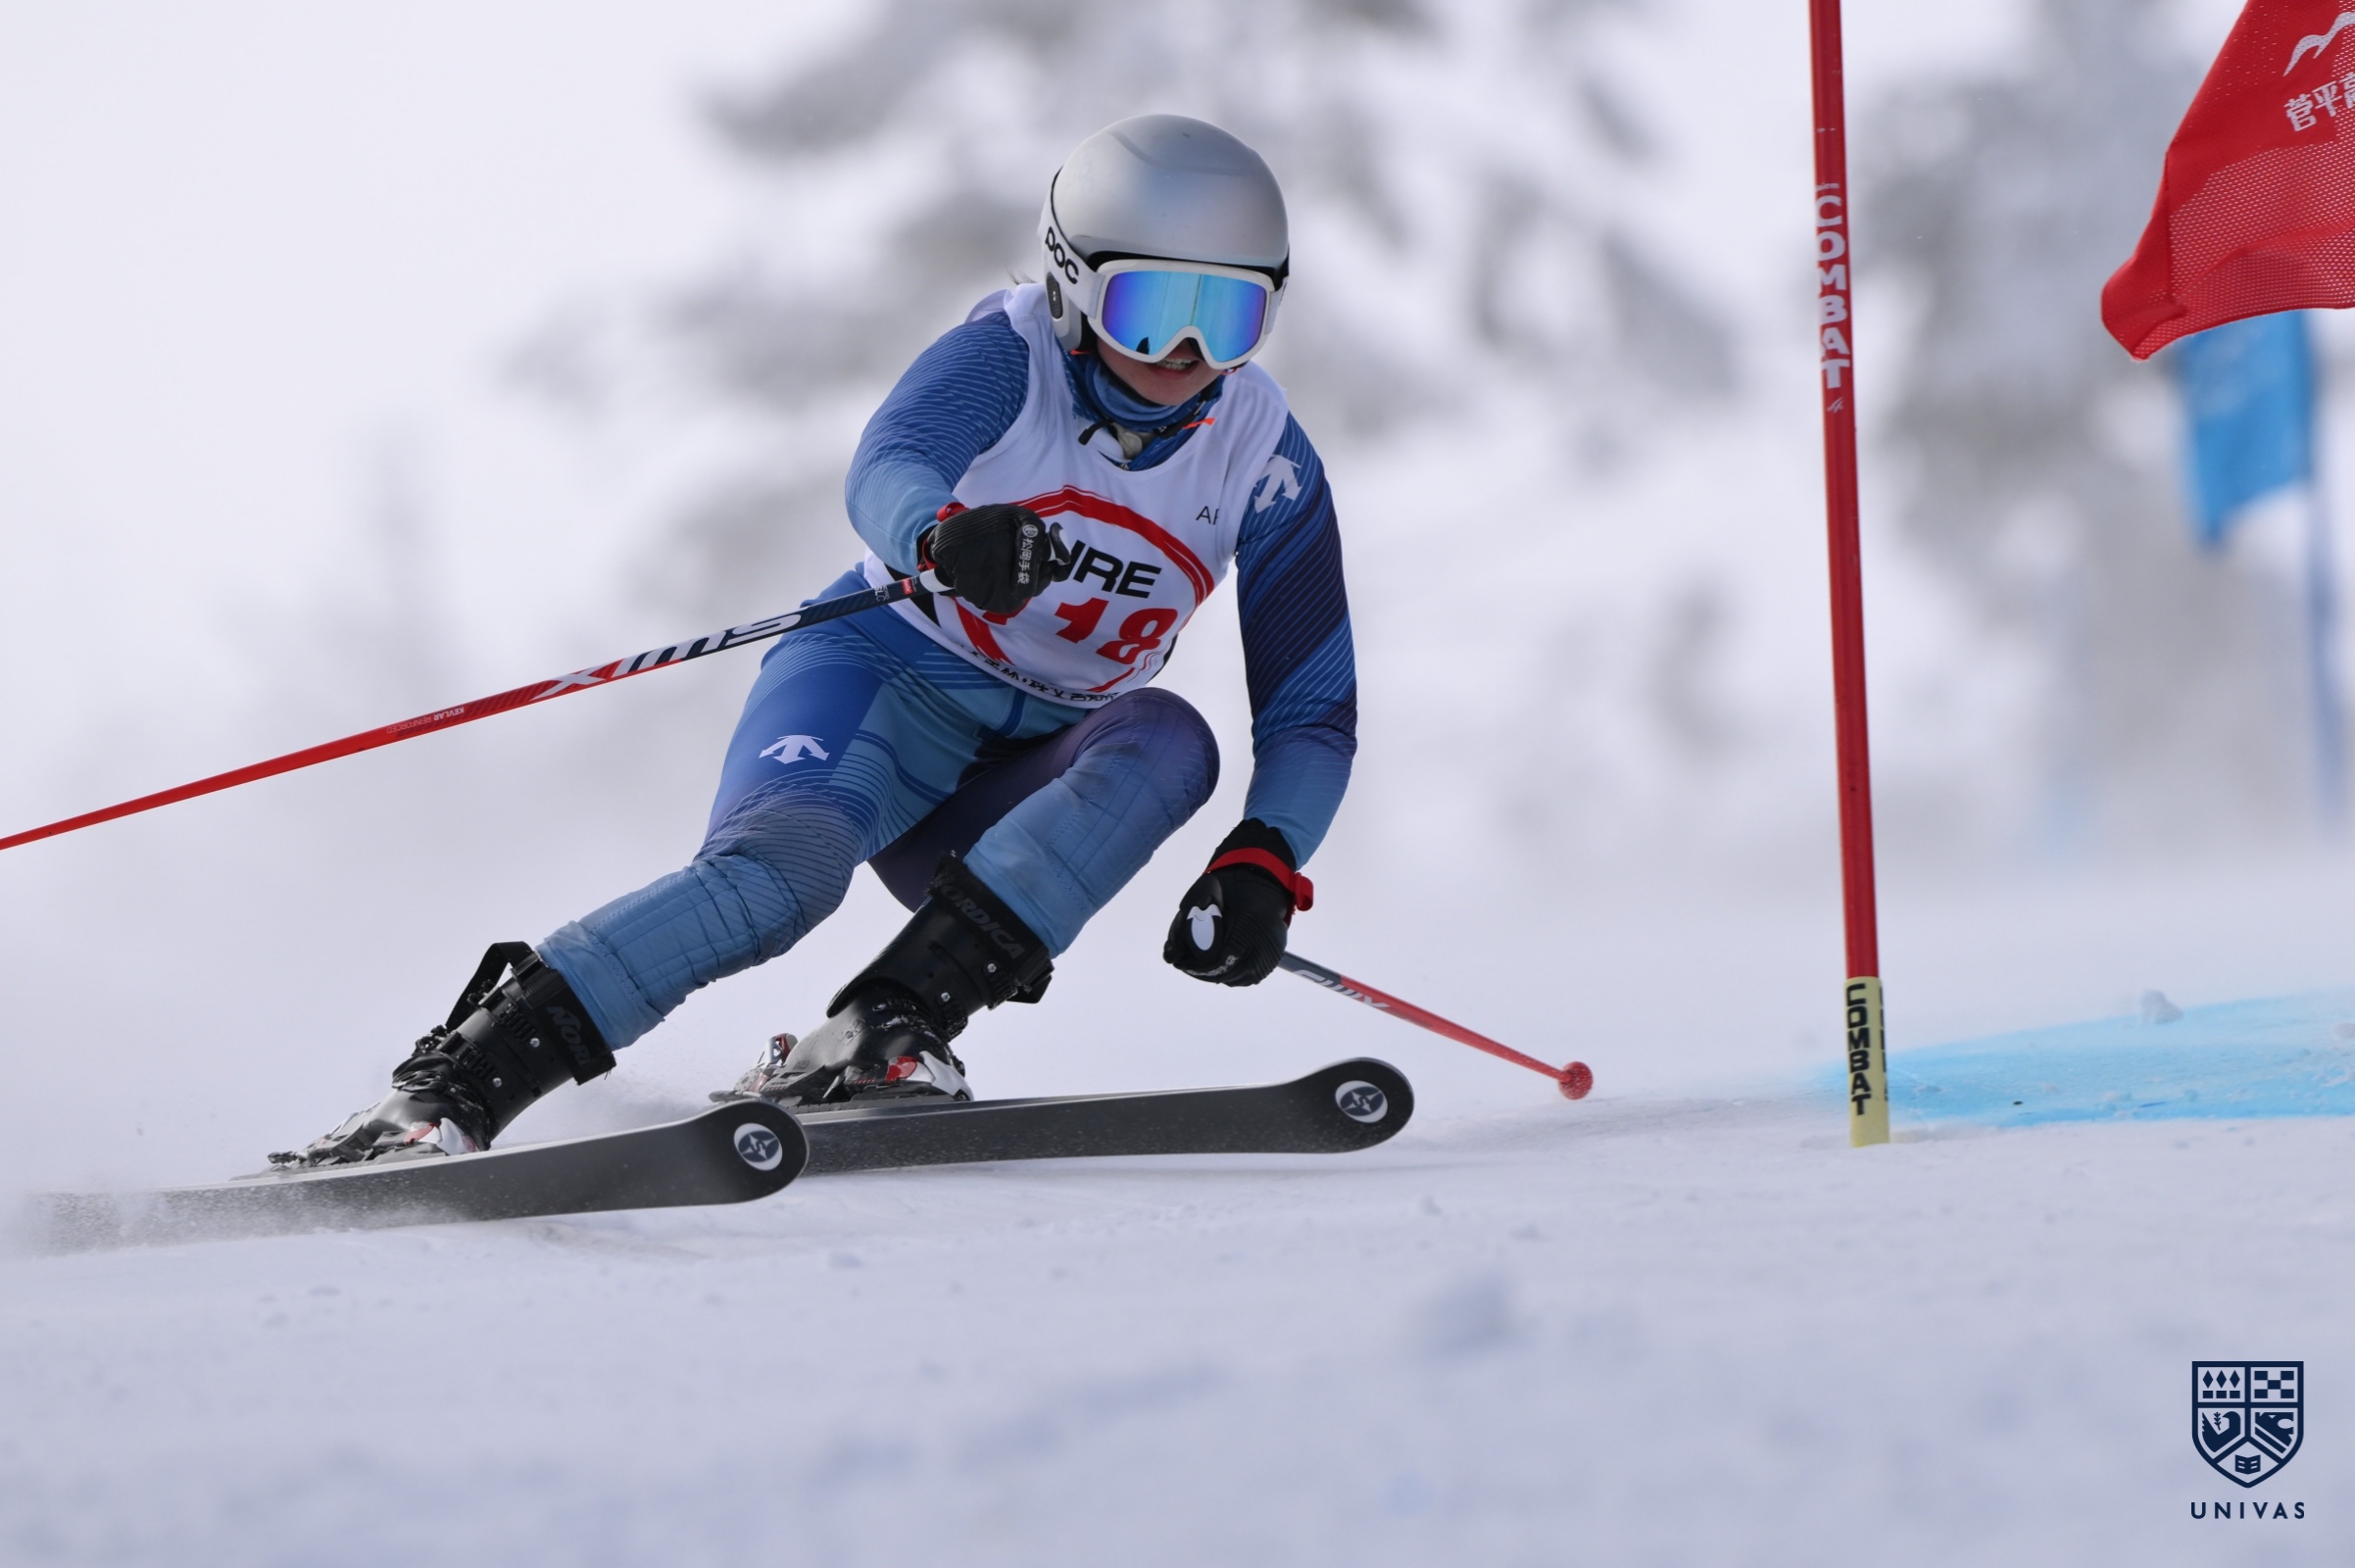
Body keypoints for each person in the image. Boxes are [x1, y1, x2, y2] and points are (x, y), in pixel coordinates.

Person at [277, 114, 1356, 1166]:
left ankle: (879, 1030)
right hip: (880, 690)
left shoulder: (1264, 458)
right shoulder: (1009, 356)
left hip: (1021, 783)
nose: (1184, 352)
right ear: (1073, 280)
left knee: (1171, 738)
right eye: (1150, 309)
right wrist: (940, 535)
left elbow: (1311, 710)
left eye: (1228, 318)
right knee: (776, 886)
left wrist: (1267, 857)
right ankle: (452, 1085)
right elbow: (890, 461)